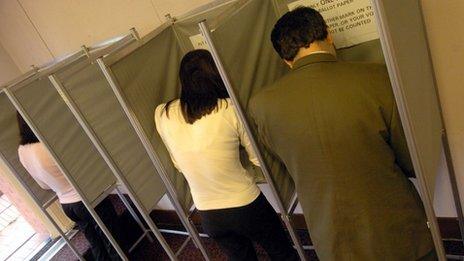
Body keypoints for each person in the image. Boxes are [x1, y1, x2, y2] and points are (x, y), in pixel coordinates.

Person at [248, 7, 436, 261]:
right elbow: (410, 158)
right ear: (329, 35)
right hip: (395, 225)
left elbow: (284, 161)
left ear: (286, 59)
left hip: (330, 234)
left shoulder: (260, 105)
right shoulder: (376, 77)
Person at [154, 49, 298, 260]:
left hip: (208, 214)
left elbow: (178, 163)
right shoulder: (228, 108)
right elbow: (257, 158)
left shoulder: (162, 113)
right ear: (216, 74)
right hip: (246, 205)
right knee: (282, 253)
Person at [16, 113, 121, 261]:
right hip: (87, 200)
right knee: (113, 242)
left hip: (67, 205)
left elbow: (44, 185)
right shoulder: (51, 144)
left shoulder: (22, 151)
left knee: (96, 243)